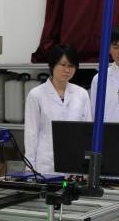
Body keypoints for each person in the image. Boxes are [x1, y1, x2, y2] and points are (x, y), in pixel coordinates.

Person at [25, 44, 91, 174]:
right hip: (46, 163)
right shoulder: (36, 94)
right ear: (52, 65)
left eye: (71, 66)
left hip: (75, 162)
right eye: (63, 65)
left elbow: (87, 131)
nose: (67, 70)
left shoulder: (81, 94)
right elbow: (31, 134)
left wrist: (88, 164)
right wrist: (30, 168)